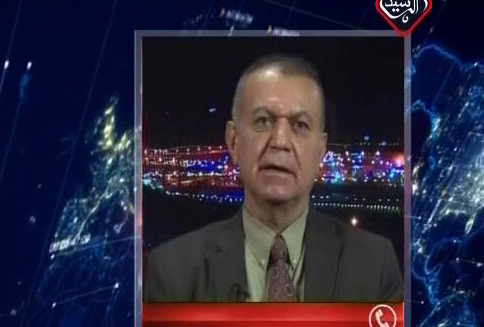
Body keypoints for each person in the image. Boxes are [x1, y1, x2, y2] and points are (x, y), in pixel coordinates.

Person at [144, 54, 404, 303]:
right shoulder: (172, 274)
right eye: (263, 121)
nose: (280, 141)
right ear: (233, 141)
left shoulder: (376, 267)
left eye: (300, 125)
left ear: (321, 151)